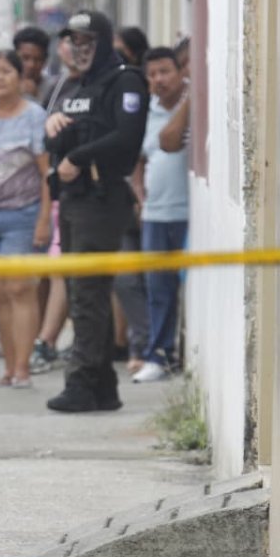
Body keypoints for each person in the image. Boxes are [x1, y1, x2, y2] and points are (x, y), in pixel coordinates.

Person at [43, 10, 150, 413]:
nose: (80, 49)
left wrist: (80, 155)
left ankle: (83, 381)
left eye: (88, 41)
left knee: (87, 293)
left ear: (103, 42)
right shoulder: (76, 86)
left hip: (102, 200)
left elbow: (127, 137)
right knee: (83, 292)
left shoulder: (125, 80)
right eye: (74, 42)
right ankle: (103, 383)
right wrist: (54, 127)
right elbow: (62, 136)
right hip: (74, 199)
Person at [0, 50, 50, 388]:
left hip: (22, 213)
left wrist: (45, 218)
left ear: (20, 76)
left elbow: (48, 173)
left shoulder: (34, 116)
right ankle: (8, 366)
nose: (0, 78)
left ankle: (23, 369)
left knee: (20, 289)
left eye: (6, 71)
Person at [130, 47, 190, 383]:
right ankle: (159, 354)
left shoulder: (193, 104)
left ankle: (173, 351)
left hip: (187, 213)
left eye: (165, 72)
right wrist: (140, 196)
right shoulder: (146, 111)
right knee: (158, 289)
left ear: (180, 71)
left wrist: (190, 99)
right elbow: (138, 160)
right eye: (152, 74)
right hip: (155, 214)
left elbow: (170, 141)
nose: (158, 80)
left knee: (186, 287)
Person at [30, 35, 83, 374]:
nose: (75, 52)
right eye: (69, 44)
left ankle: (47, 340)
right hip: (58, 191)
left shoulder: (101, 87)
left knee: (64, 272)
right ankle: (46, 340)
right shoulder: (59, 86)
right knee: (55, 271)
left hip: (79, 193)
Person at [13, 26, 51, 103]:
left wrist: (37, 96)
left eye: (38, 59)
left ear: (45, 61)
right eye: (25, 58)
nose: (31, 65)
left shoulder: (53, 89)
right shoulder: (0, 86)